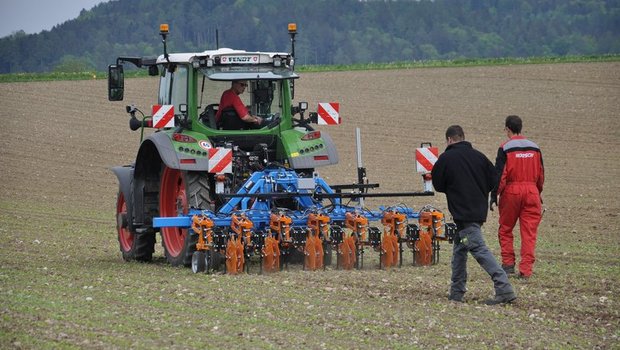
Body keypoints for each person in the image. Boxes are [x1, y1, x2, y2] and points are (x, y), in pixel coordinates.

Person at [432, 125, 516, 305]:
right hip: (477, 212)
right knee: (461, 247)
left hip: (464, 213)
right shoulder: (479, 157)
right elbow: (494, 180)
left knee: (478, 249)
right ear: (463, 137)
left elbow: (438, 185)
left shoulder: (446, 158)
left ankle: (505, 289)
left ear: (449, 140)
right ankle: (456, 292)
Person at [490, 115, 544, 279]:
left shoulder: (505, 147)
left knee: (505, 229)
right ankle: (526, 270)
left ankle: (508, 265)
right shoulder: (535, 147)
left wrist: (494, 195)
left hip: (512, 192)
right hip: (532, 192)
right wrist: (538, 193)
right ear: (520, 128)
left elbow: (500, 175)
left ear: (507, 129)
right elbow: (541, 174)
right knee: (529, 233)